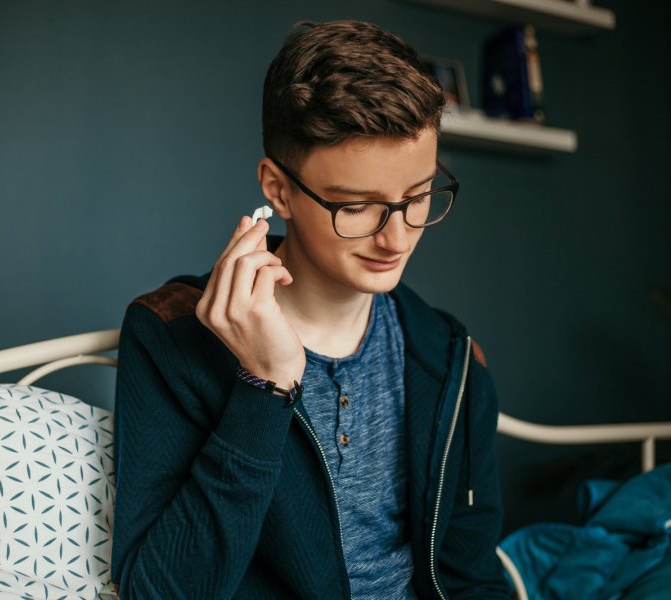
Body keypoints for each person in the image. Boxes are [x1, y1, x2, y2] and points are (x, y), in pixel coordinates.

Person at [112, 19, 509, 599]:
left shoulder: (451, 359)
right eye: (356, 207)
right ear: (278, 189)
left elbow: (474, 580)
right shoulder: (170, 336)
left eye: (418, 197)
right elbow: (160, 592)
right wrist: (263, 387)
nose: (397, 239)